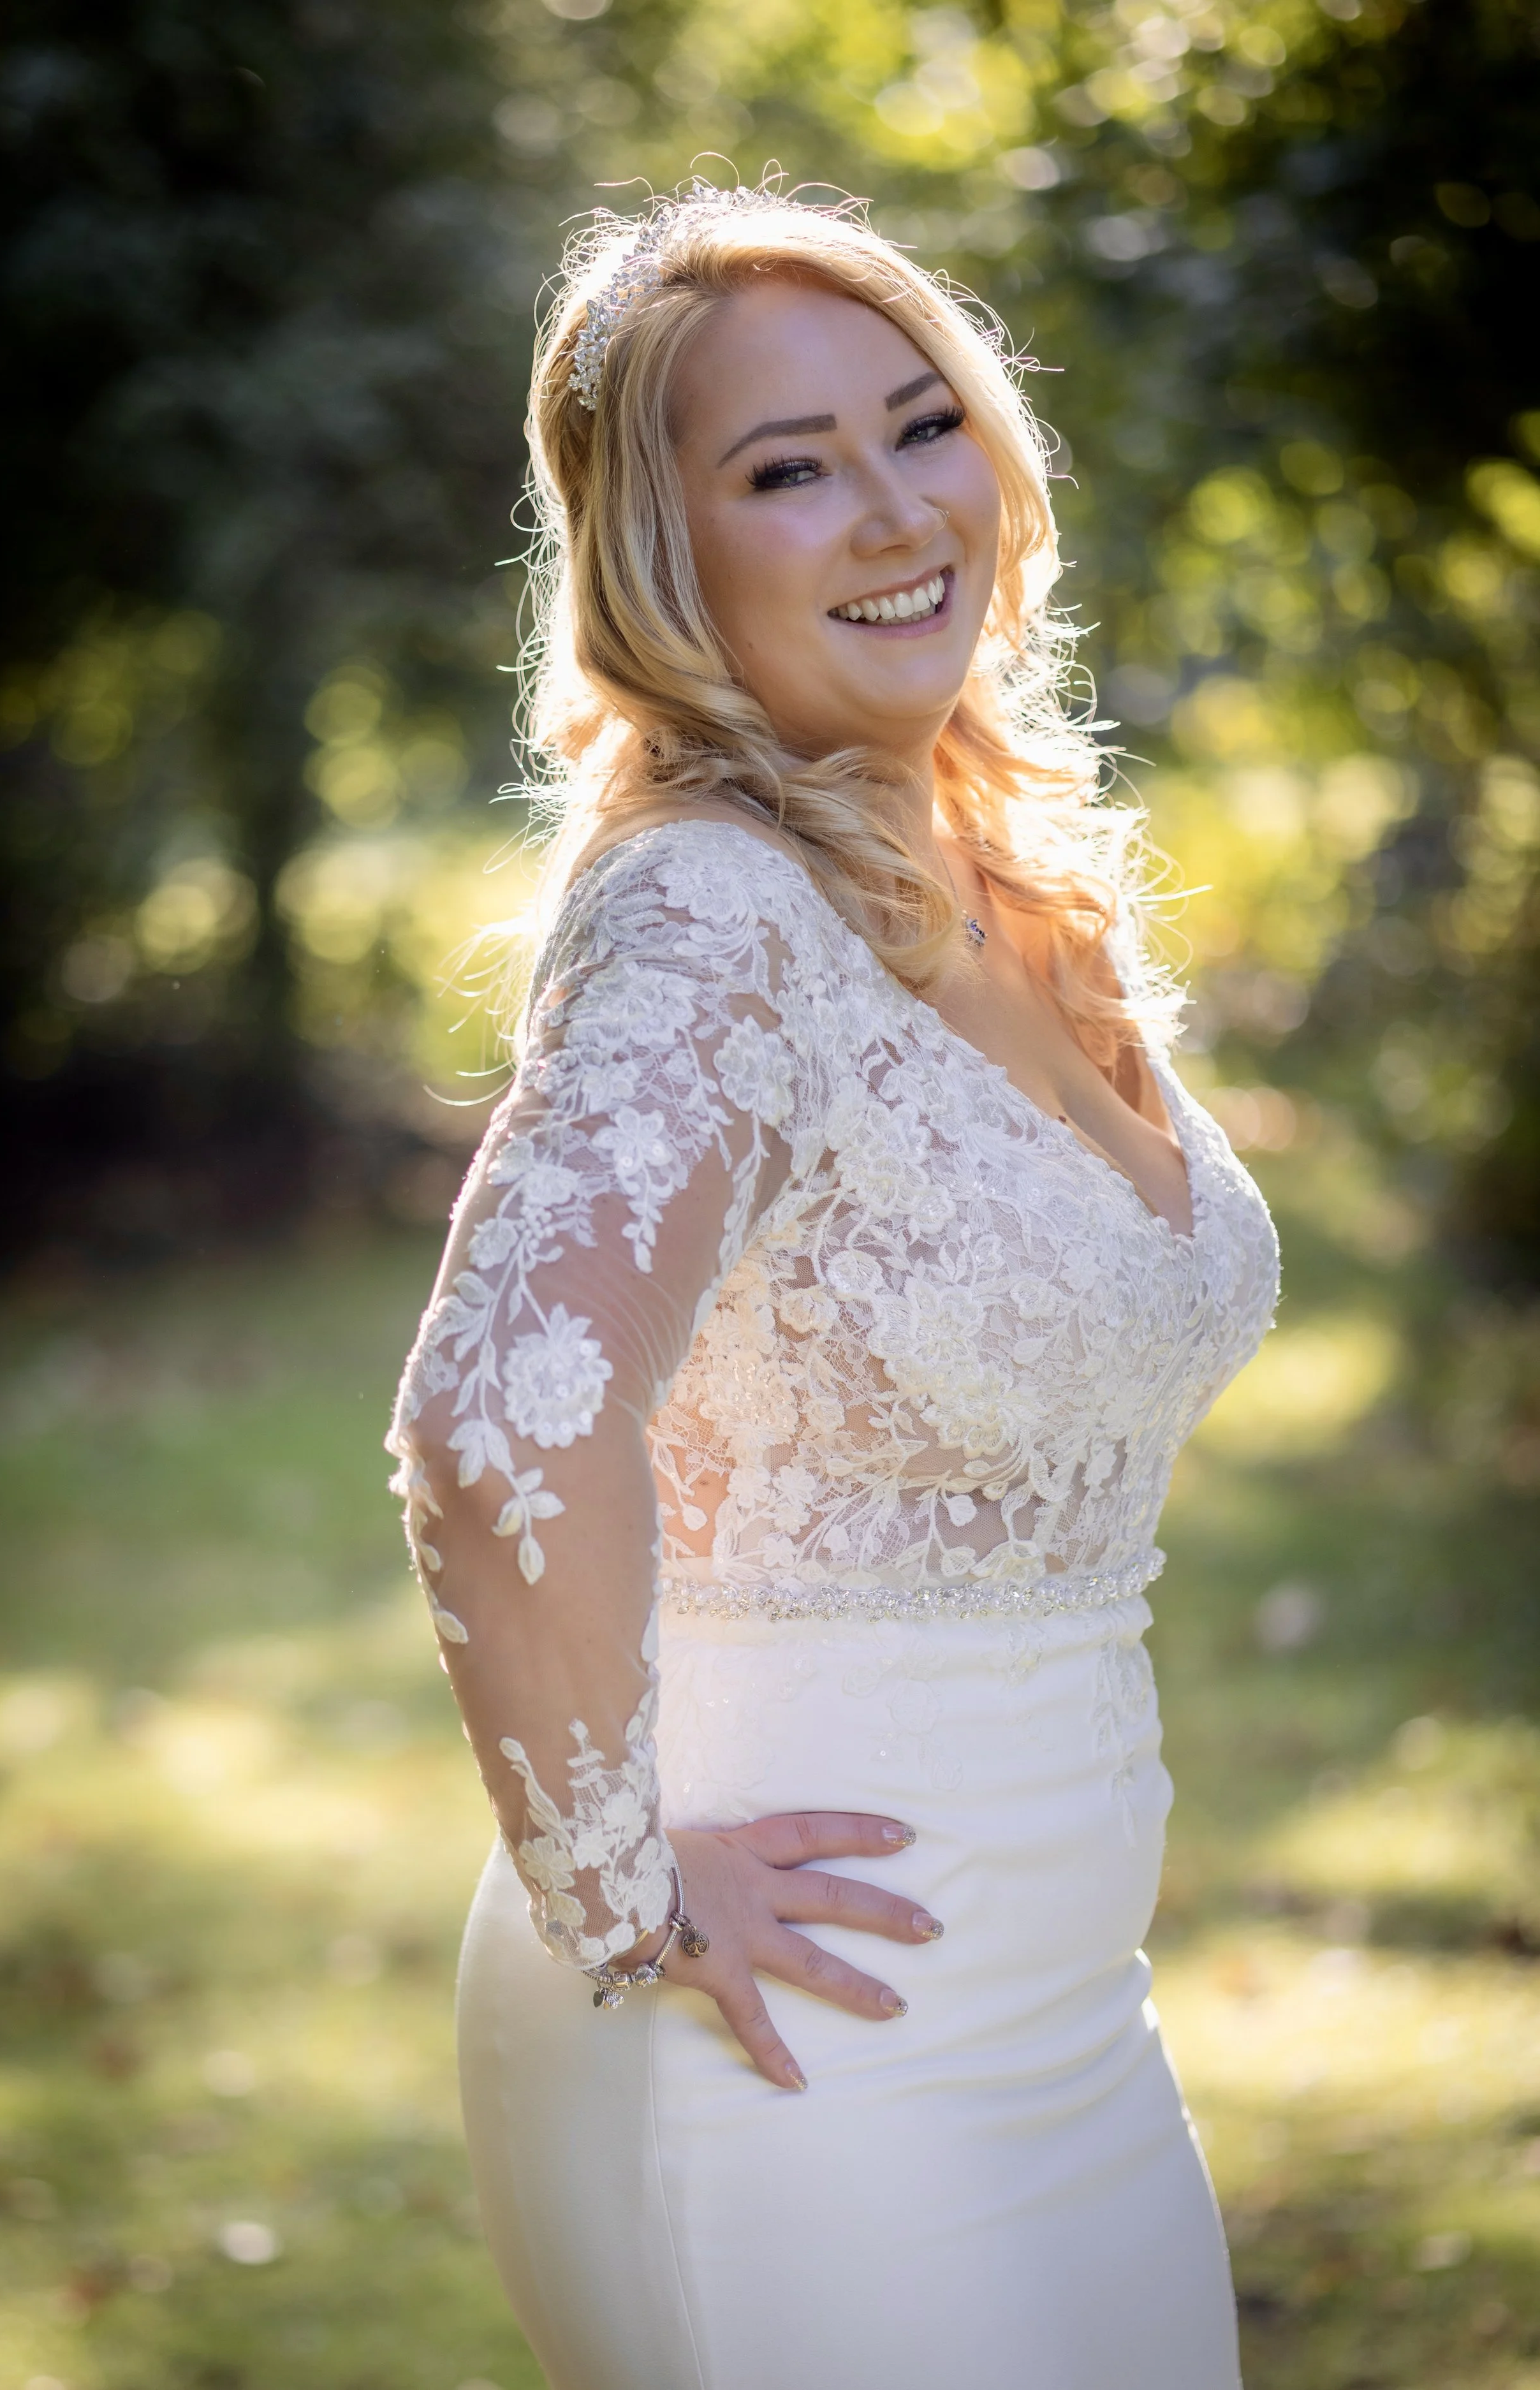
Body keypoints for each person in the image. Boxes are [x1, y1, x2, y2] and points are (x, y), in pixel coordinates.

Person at [388, 181, 1278, 2390]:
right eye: (786, 468)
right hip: (793, 2034)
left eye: (922, 423)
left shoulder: (978, 866)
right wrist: (627, 1898)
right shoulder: (711, 908)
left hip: (1065, 2014)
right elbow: (498, 1407)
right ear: (658, 553)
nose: (894, 509)